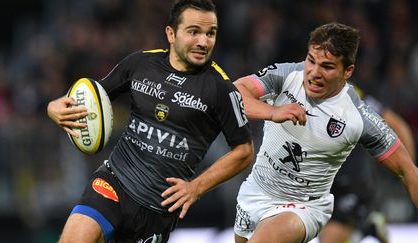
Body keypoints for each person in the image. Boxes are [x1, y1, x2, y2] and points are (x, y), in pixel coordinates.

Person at [47, 0, 254, 242]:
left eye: (211, 33)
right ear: (171, 33)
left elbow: (244, 151)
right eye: (194, 31)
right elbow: (92, 96)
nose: (203, 41)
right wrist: (53, 107)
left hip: (158, 209)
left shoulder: (222, 90)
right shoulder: (139, 64)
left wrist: (196, 187)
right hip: (113, 181)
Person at [232, 22, 418, 243]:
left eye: (327, 67)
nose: (314, 73)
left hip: (308, 205)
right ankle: (366, 226)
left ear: (347, 71)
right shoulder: (287, 75)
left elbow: (408, 170)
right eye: (311, 60)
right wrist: (272, 111)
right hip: (256, 191)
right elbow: (235, 94)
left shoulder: (359, 116)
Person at [319, 90, 416, 243]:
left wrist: (408, 170)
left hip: (351, 181)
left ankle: (361, 225)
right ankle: (366, 225)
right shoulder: (295, 87)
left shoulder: (350, 94)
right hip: (318, 180)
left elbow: (396, 123)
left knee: (331, 237)